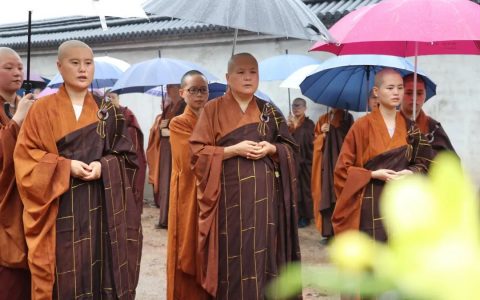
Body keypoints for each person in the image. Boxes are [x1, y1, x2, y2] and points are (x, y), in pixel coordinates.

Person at [14, 40, 142, 299]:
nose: (83, 69)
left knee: (101, 268)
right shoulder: (41, 110)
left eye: (88, 63)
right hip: (60, 208)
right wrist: (65, 166)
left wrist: (104, 166)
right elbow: (26, 158)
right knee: (64, 275)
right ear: (60, 67)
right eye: (75, 63)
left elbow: (128, 157)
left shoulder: (110, 111)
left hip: (101, 207)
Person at [190, 53, 301, 298]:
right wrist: (231, 150)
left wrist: (273, 149)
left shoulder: (269, 111)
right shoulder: (212, 110)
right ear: (228, 78)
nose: (248, 77)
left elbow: (292, 149)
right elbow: (197, 153)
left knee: (263, 251)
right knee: (233, 253)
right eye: (241, 72)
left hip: (265, 203)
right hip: (229, 201)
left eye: (253, 72)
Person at [333, 68, 432, 242]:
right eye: (390, 88)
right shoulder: (361, 126)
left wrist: (411, 172)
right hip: (371, 202)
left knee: (399, 256)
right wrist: (371, 174)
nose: (396, 92)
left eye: (400, 88)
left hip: (402, 203)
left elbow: (426, 162)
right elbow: (342, 170)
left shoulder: (411, 127)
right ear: (376, 92)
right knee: (374, 257)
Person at [166, 70, 211, 300]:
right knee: (187, 247)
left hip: (211, 194)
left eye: (203, 90)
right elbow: (192, 159)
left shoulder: (214, 119)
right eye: (193, 90)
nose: (199, 95)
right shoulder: (179, 123)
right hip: (187, 192)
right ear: (182, 93)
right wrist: (222, 150)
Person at [0, 47, 34, 300]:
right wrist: (17, 121)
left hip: (27, 204)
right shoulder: (19, 111)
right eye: (8, 67)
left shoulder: (25, 104)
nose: (17, 73)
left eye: (20, 67)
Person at [311, 107, 354, 241]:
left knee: (339, 197)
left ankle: (340, 232)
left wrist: (334, 131)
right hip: (324, 164)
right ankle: (328, 232)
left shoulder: (348, 117)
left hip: (339, 164)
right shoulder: (323, 118)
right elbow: (315, 140)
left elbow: (350, 139)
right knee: (325, 195)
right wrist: (323, 135)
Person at [146, 84, 185, 228]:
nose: (168, 90)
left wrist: (168, 130)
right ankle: (164, 218)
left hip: (175, 150)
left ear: (179, 89)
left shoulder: (183, 106)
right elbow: (160, 128)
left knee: (173, 182)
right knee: (164, 182)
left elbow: (185, 128)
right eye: (167, 87)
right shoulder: (168, 108)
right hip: (164, 150)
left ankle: (174, 219)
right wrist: (160, 127)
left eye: (172, 87)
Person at [106, 90, 147, 207]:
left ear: (118, 99)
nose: (110, 100)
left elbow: (134, 132)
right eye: (108, 98)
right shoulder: (104, 114)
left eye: (113, 97)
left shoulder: (127, 113)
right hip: (112, 157)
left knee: (132, 186)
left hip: (129, 157)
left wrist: (121, 133)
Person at [400, 73, 456, 156]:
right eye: (409, 93)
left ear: (425, 95)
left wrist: (424, 151)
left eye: (419, 93)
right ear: (399, 93)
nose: (414, 98)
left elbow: (451, 161)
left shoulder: (433, 127)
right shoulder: (389, 123)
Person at [287, 97, 315, 228]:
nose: (295, 108)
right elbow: (285, 141)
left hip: (305, 163)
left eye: (298, 106)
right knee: (294, 189)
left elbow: (310, 141)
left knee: (305, 190)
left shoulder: (309, 124)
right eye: (294, 106)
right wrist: (290, 128)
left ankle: (306, 216)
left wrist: (298, 127)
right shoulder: (289, 123)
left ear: (305, 108)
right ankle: (295, 215)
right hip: (293, 162)